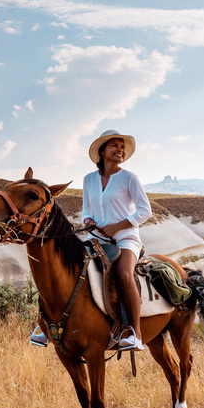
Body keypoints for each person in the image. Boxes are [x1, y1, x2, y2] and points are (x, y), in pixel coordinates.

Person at [30, 129, 153, 351]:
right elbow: (86, 208)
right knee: (60, 268)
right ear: (102, 151)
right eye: (115, 146)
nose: (120, 149)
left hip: (126, 238)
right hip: (95, 237)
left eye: (122, 146)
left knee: (124, 273)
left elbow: (145, 211)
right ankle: (44, 326)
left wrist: (117, 226)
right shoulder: (89, 179)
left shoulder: (129, 178)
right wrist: (87, 221)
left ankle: (135, 333)